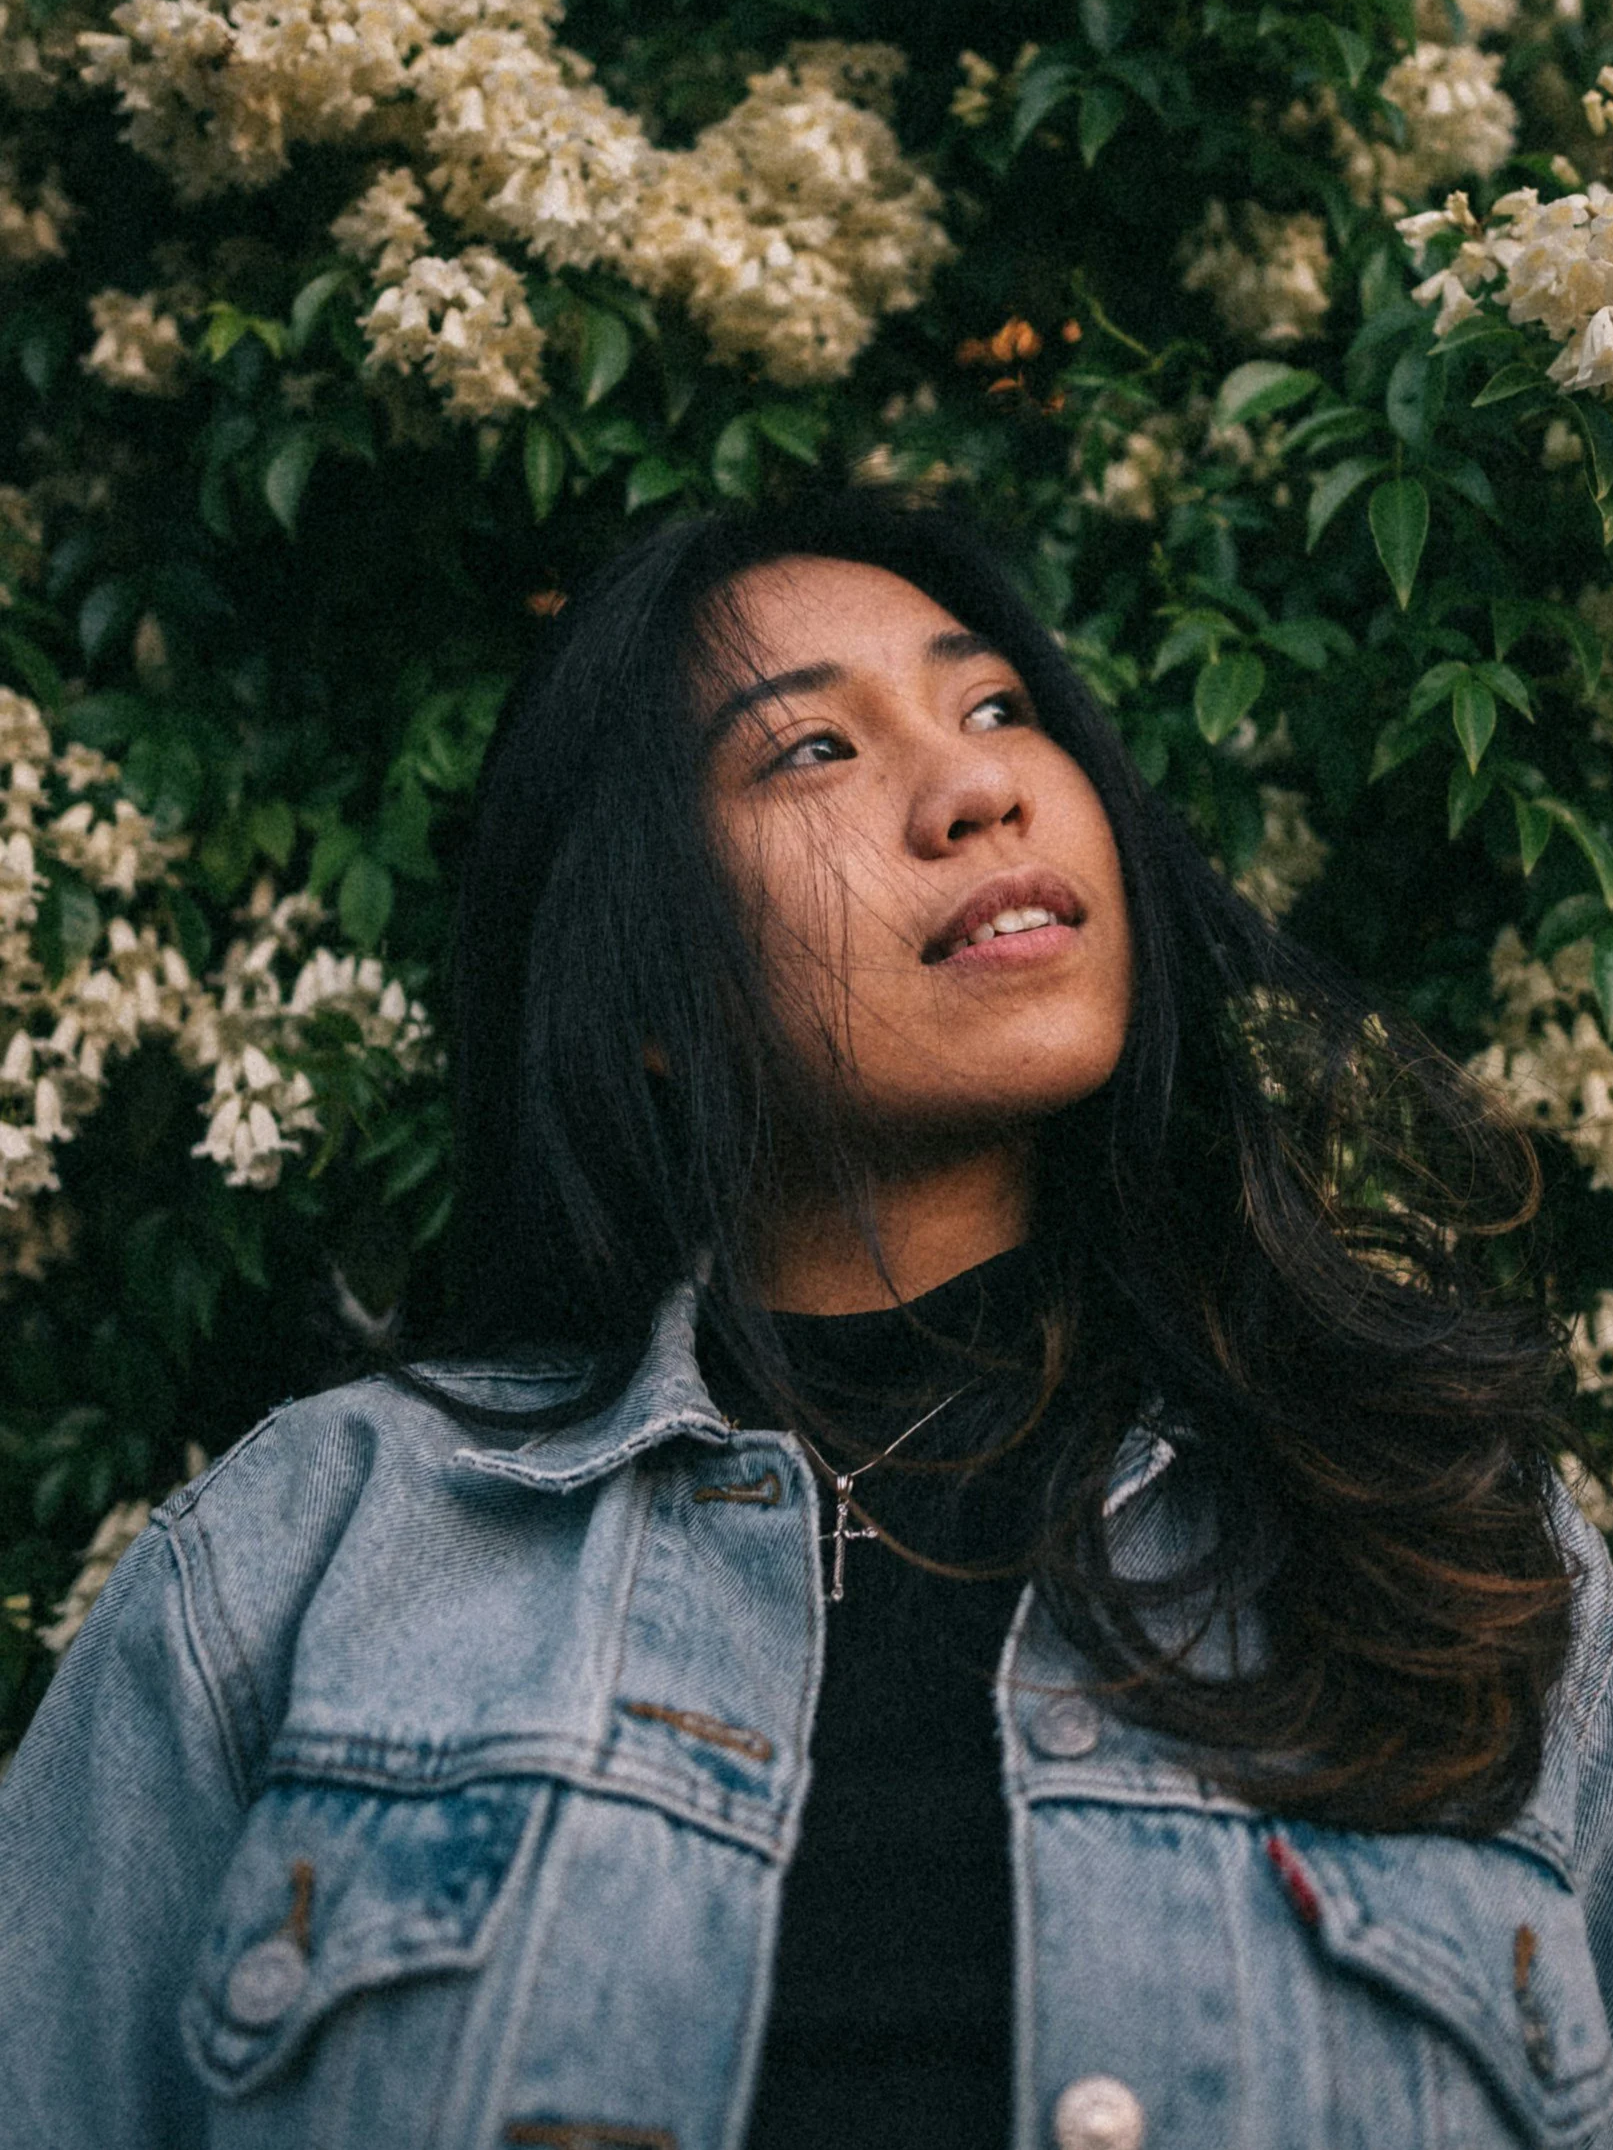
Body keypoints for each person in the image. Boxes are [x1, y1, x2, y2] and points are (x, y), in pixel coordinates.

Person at [3, 491, 1613, 2150]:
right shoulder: (314, 1543)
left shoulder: (1468, 1556)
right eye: (813, 752)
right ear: (646, 995)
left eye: (998, 707)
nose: (982, 783)